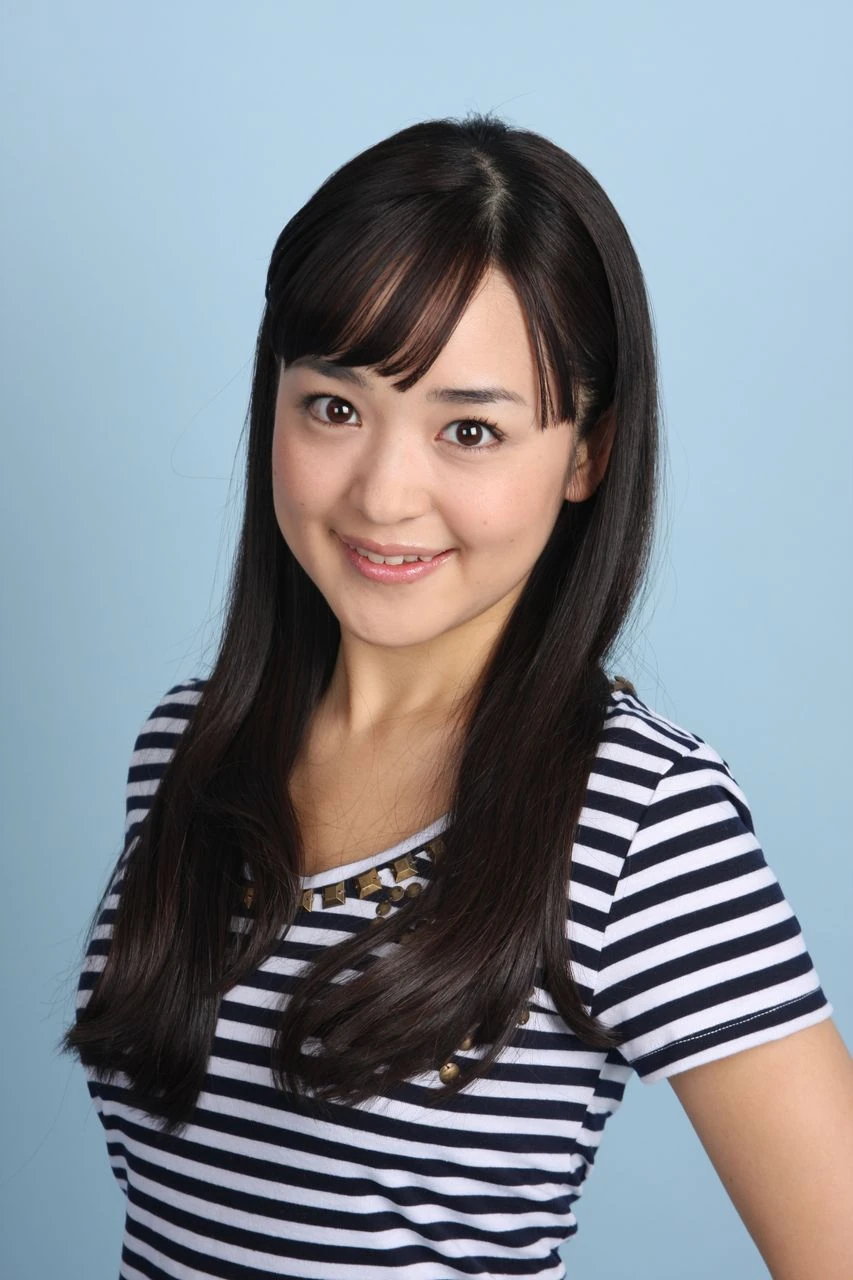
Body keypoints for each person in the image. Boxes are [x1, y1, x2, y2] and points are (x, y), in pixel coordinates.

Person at [61, 112, 853, 1279]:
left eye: (470, 428)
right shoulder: (188, 745)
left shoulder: (637, 812)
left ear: (586, 453)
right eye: (334, 407)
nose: (384, 492)